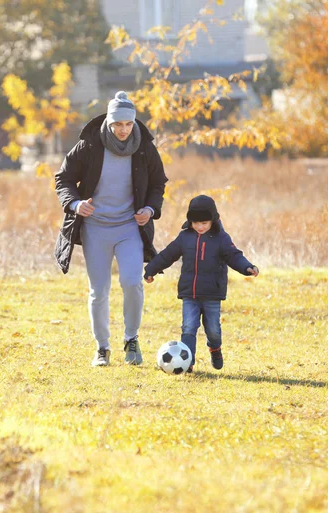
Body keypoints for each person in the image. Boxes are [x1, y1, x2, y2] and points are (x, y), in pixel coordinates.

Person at [54, 91, 168, 367]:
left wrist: (150, 210)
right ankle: (102, 348)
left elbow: (158, 184)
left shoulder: (144, 148)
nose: (123, 129)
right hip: (95, 228)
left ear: (133, 123)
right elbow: (63, 179)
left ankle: (131, 339)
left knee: (132, 283)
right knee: (99, 290)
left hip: (129, 227)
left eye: (128, 124)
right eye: (118, 124)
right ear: (108, 122)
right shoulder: (89, 146)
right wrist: (75, 203)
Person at [143, 195, 259, 372]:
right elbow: (168, 255)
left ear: (213, 220)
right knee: (188, 327)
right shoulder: (184, 237)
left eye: (204, 223)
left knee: (213, 329)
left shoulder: (221, 238)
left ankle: (215, 349)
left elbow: (234, 255)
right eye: (196, 223)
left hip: (212, 293)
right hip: (190, 293)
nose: (200, 227)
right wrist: (151, 269)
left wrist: (247, 267)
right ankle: (187, 361)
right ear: (190, 221)